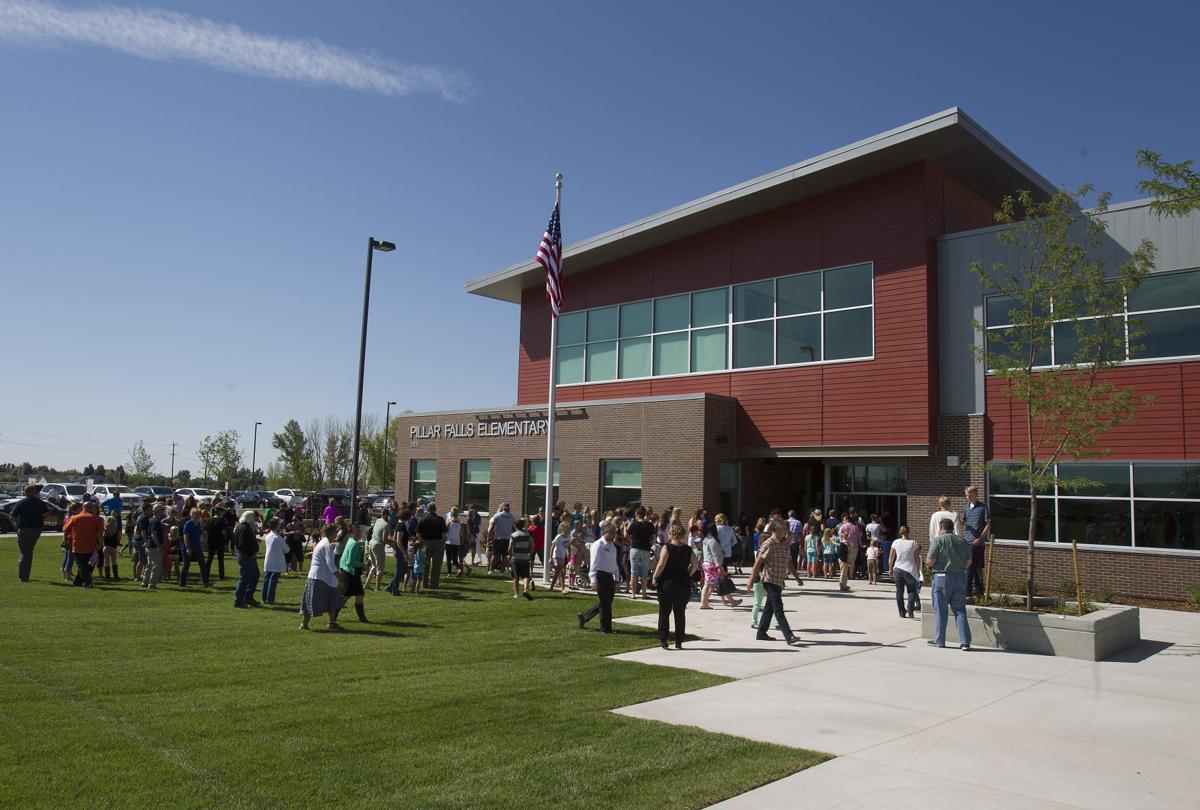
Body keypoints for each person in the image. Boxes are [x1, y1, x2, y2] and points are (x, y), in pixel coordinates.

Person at [746, 519, 804, 646]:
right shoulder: (768, 543)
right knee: (778, 608)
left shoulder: (784, 545)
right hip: (770, 580)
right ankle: (789, 636)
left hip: (779, 581)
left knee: (769, 608)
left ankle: (761, 633)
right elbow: (758, 563)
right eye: (783, 529)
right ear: (776, 530)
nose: (786, 532)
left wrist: (797, 578)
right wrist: (751, 579)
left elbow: (789, 563)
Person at [926, 517, 973, 650]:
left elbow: (930, 560)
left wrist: (929, 564)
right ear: (952, 527)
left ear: (941, 528)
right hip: (960, 576)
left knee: (941, 610)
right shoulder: (963, 541)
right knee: (960, 610)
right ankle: (965, 642)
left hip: (942, 577)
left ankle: (940, 640)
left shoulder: (938, 541)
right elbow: (969, 562)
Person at [651, 523, 699, 649]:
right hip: (683, 583)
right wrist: (688, 575)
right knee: (680, 613)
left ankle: (664, 640)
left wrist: (655, 577)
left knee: (664, 612)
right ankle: (679, 641)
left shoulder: (667, 547)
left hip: (667, 583)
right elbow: (695, 564)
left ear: (671, 534)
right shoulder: (688, 549)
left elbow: (661, 564)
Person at [299, 525, 345, 631]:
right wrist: (340, 578)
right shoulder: (326, 545)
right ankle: (303, 624)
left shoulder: (325, 543)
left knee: (333, 600)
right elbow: (331, 565)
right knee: (312, 601)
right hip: (318, 577)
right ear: (332, 533)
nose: (337, 534)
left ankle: (331, 623)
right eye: (336, 532)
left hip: (326, 578)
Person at [577, 523, 619, 633]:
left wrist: (616, 579)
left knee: (606, 602)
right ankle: (606, 628)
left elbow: (614, 564)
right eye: (612, 533)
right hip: (600, 575)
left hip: (609, 576)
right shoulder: (598, 545)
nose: (614, 535)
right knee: (605, 605)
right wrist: (593, 580)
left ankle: (584, 617)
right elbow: (594, 563)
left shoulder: (612, 546)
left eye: (615, 533)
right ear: (606, 532)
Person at [700, 521, 742, 609]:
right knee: (711, 584)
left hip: (707, 564)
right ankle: (704, 603)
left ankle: (730, 601)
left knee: (720, 583)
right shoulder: (712, 541)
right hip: (713, 565)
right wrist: (719, 566)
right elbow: (715, 555)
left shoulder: (706, 539)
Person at [13, 484, 49, 582]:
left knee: (24, 553)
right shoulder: (40, 503)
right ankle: (26, 574)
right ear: (33, 492)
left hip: (24, 529)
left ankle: (23, 576)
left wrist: (17, 524)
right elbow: (46, 515)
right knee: (29, 551)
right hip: (36, 529)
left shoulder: (21, 502)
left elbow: (12, 516)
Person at [64, 502, 104, 588]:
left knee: (82, 565)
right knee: (85, 565)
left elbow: (65, 529)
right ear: (92, 508)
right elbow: (100, 533)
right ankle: (87, 582)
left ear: (83, 508)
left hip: (77, 545)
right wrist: (100, 544)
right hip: (91, 546)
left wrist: (69, 538)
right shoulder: (96, 519)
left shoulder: (74, 517)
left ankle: (79, 582)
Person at [962, 485, 991, 599]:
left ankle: (968, 591)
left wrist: (981, 538)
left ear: (975, 495)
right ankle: (978, 589)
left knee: (970, 565)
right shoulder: (966, 507)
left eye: (970, 495)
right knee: (974, 565)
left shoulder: (983, 507)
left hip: (977, 542)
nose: (968, 497)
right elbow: (964, 522)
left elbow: (988, 524)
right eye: (966, 495)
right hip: (967, 541)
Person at [889, 525, 921, 619]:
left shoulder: (895, 542)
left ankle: (902, 612)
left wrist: (890, 568)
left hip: (898, 568)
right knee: (911, 591)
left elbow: (891, 557)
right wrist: (918, 570)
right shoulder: (913, 543)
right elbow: (917, 558)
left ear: (900, 533)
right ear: (909, 532)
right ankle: (910, 609)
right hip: (910, 570)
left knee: (899, 591)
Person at [339, 525, 369, 621]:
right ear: (351, 533)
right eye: (357, 531)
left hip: (348, 572)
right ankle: (332, 616)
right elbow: (350, 561)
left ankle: (362, 618)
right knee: (346, 596)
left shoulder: (351, 541)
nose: (359, 533)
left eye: (359, 531)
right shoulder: (354, 544)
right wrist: (363, 565)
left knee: (359, 594)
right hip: (350, 573)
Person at [233, 511, 261, 608]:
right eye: (254, 517)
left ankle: (248, 598)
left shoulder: (241, 526)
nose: (255, 520)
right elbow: (242, 544)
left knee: (254, 575)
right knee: (245, 578)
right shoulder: (245, 528)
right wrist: (251, 553)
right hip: (247, 556)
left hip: (245, 555)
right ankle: (239, 601)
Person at [627, 506, 656, 598]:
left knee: (633, 572)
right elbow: (654, 538)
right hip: (646, 549)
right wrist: (651, 544)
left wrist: (631, 540)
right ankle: (644, 594)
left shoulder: (634, 524)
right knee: (644, 573)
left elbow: (627, 534)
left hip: (635, 548)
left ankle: (633, 594)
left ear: (637, 514)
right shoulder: (650, 525)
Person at [417, 504, 447, 589]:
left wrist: (421, 543)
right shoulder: (440, 519)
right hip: (438, 543)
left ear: (428, 509)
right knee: (436, 565)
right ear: (435, 509)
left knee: (425, 564)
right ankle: (434, 584)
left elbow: (418, 534)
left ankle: (424, 583)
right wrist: (443, 543)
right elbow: (444, 534)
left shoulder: (422, 519)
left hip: (425, 543)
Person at [178, 509, 210, 587]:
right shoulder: (188, 524)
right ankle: (182, 582)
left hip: (197, 547)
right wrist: (187, 547)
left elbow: (199, 535)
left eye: (198, 514)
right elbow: (185, 536)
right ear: (191, 515)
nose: (197, 516)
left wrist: (202, 544)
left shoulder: (199, 524)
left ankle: (205, 582)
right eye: (195, 514)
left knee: (202, 564)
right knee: (186, 565)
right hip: (188, 546)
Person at [141, 503, 167, 590]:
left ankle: (145, 582)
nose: (163, 512)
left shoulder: (152, 520)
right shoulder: (155, 521)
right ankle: (152, 583)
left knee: (149, 565)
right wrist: (159, 545)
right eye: (162, 510)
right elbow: (153, 534)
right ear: (158, 511)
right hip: (154, 546)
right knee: (156, 566)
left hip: (150, 546)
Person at [386, 508, 411, 596]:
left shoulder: (398, 524)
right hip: (400, 551)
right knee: (399, 571)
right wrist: (405, 553)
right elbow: (398, 541)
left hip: (397, 550)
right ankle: (395, 590)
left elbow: (394, 538)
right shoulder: (402, 526)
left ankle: (390, 586)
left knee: (399, 570)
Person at [487, 502, 516, 575]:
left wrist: (489, 537)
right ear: (509, 508)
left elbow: (492, 527)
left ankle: (490, 570)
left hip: (498, 538)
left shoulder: (497, 515)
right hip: (507, 539)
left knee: (495, 555)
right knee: (504, 556)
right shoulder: (512, 517)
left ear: (503, 508)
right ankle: (502, 570)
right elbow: (513, 529)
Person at [509, 518, 534, 600]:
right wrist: (530, 553)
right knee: (526, 576)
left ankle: (516, 594)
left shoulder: (513, 535)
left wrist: (509, 555)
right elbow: (532, 544)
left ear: (515, 526)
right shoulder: (528, 534)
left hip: (515, 558)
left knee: (516, 577)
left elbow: (510, 548)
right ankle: (526, 590)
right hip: (525, 557)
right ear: (523, 525)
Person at [837, 514, 863, 592]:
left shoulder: (843, 526)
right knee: (848, 566)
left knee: (843, 568)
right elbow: (859, 538)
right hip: (854, 548)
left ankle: (843, 584)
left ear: (846, 519)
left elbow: (839, 535)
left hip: (845, 548)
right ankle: (844, 583)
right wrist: (861, 546)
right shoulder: (856, 527)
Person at [366, 512, 389, 591]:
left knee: (373, 566)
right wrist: (392, 544)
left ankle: (367, 585)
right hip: (378, 546)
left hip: (371, 543)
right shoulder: (386, 525)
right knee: (380, 568)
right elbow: (384, 539)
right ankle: (377, 588)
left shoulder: (378, 520)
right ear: (386, 515)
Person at [549, 521, 570, 592]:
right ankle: (554, 587)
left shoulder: (569, 536)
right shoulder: (559, 537)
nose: (567, 529)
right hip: (556, 556)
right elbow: (552, 546)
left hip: (562, 557)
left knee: (562, 572)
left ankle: (561, 588)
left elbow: (568, 546)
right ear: (562, 528)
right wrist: (550, 557)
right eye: (565, 528)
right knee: (559, 570)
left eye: (568, 528)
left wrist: (569, 555)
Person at [444, 506, 465, 577]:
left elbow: (445, 529)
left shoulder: (449, 520)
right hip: (456, 542)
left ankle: (449, 573)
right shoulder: (459, 521)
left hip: (449, 541)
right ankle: (459, 569)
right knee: (454, 559)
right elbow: (461, 533)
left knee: (449, 558)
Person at [100, 513, 121, 580]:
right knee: (114, 561)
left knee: (106, 561)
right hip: (113, 546)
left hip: (106, 546)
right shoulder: (116, 529)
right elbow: (118, 538)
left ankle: (107, 575)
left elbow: (103, 537)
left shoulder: (106, 529)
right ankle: (116, 575)